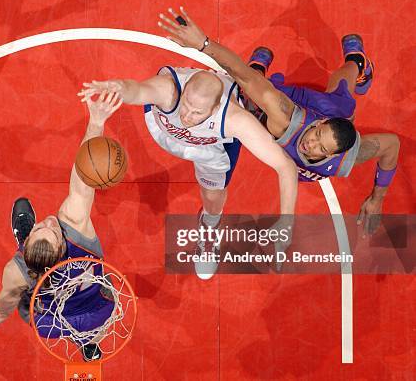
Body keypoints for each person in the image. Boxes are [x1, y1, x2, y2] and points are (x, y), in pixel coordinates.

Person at [158, 6, 400, 236]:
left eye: (321, 148)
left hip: (322, 113)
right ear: (318, 124)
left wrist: (377, 198)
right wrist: (203, 44)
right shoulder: (285, 119)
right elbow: (241, 74)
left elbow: (392, 145)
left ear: (334, 155)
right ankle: (349, 63)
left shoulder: (349, 158)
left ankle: (348, 63)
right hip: (294, 105)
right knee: (250, 95)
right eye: (316, 135)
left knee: (343, 101)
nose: (311, 144)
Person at [78, 53, 298, 279]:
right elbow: (137, 90)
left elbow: (285, 166)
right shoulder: (169, 91)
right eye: (187, 105)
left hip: (209, 149)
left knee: (212, 199)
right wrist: (118, 88)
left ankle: (210, 228)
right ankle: (253, 72)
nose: (187, 116)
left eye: (197, 112)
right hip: (165, 132)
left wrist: (287, 220)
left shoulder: (234, 119)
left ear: (213, 109)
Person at [0, 91, 124, 361]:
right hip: (98, 308)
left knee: (22, 300)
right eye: (49, 229)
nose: (50, 221)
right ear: (63, 244)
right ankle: (90, 345)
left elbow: (2, 308)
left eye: (41, 226)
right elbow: (83, 179)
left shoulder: (16, 271)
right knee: (98, 323)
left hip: (54, 322)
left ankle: (84, 339)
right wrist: (96, 123)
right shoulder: (74, 228)